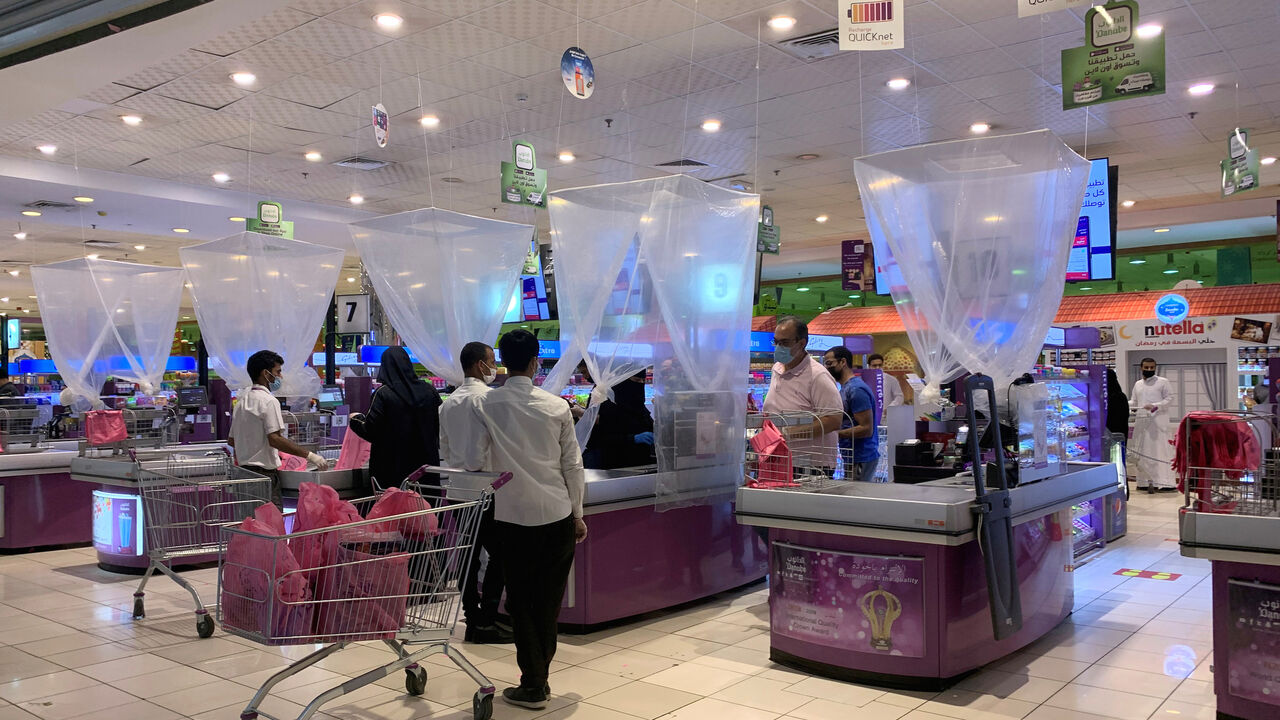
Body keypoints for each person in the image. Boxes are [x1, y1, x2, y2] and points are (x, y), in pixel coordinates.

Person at [469, 330, 586, 710]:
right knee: (548, 602)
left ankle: (533, 682)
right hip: (556, 514)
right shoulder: (556, 407)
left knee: (520, 602)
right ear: (536, 361)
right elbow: (572, 464)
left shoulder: (487, 404)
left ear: (501, 361)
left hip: (512, 517)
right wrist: (578, 515)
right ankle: (539, 679)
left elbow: (476, 460)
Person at [438, 341, 510, 644]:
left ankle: (473, 614)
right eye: (491, 360)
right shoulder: (490, 400)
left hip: (456, 489)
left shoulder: (447, 402)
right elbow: (490, 451)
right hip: (487, 490)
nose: (494, 366)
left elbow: (443, 446)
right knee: (502, 555)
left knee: (469, 556)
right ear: (480, 364)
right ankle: (487, 618)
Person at [228, 350, 330, 507]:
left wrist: (256, 448)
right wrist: (310, 455)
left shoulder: (241, 402)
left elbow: (232, 440)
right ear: (266, 373)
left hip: (243, 476)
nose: (280, 377)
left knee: (248, 524)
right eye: (278, 371)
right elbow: (275, 439)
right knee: (270, 525)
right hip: (263, 477)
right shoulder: (269, 401)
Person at [349, 346, 442, 488]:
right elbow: (439, 426)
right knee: (425, 508)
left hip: (392, 472)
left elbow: (371, 430)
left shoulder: (383, 394)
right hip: (426, 472)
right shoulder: (429, 391)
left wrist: (356, 419)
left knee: (396, 509)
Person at [762, 316, 843, 475]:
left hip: (810, 465)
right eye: (776, 342)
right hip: (779, 458)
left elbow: (833, 420)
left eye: (784, 343)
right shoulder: (777, 369)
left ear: (801, 343)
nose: (779, 347)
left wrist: (788, 433)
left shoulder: (817, 376)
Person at [823, 346, 878, 482]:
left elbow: (866, 429)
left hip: (861, 456)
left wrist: (835, 434)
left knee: (857, 497)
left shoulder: (856, 390)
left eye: (829, 363)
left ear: (843, 362)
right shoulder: (846, 388)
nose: (826, 367)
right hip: (852, 456)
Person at [583, 370, 655, 470]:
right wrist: (632, 438)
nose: (640, 384)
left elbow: (648, 424)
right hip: (615, 466)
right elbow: (597, 439)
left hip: (642, 464)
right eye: (637, 380)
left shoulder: (639, 405)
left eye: (643, 381)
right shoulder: (607, 404)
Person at [1130, 357, 1176, 493]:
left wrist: (1155, 406)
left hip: (1158, 424)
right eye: (1146, 367)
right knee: (1143, 453)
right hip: (1142, 423)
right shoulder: (1138, 384)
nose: (1149, 370)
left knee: (1161, 451)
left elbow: (1170, 399)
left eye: (1152, 368)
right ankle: (1144, 482)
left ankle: (1165, 483)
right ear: (1141, 367)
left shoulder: (1163, 382)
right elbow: (1134, 401)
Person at [1105, 368, 1130, 467]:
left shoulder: (1110, 397)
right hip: (1121, 434)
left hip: (1112, 436)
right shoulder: (1121, 396)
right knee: (1120, 464)